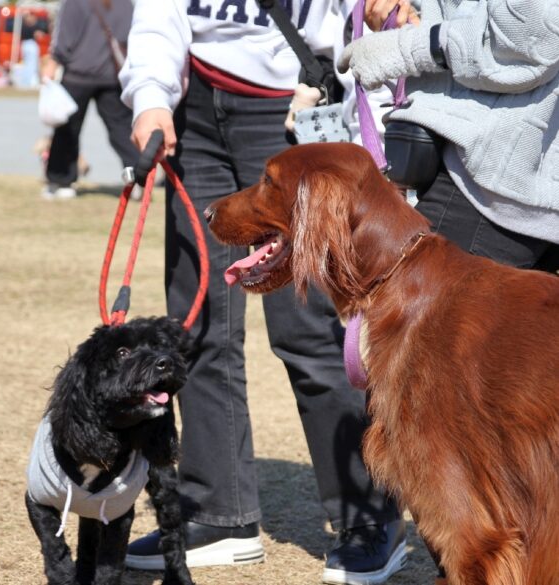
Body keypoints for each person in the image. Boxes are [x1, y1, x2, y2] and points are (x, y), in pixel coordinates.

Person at [119, 1, 410, 584]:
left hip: (294, 107)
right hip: (193, 103)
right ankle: (218, 513)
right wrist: (151, 95)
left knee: (307, 330)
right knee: (197, 322)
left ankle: (368, 515)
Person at [340, 0, 559, 579]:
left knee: (435, 439)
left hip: (504, 179)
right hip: (504, 171)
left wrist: (408, 48)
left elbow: (536, 33)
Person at [340, 0, 558, 273]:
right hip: (495, 177)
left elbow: (533, 37)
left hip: (494, 187)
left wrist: (406, 47)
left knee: (410, 304)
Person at [40, 0, 138, 200]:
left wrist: (53, 61)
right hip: (112, 74)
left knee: (67, 129)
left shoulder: (75, 2)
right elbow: (131, 34)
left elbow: (64, 35)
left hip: (78, 74)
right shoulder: (125, 3)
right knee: (121, 129)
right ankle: (138, 177)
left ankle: (61, 181)